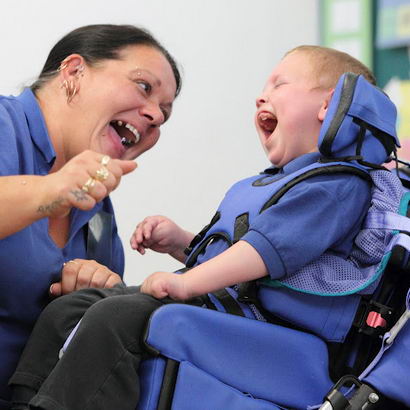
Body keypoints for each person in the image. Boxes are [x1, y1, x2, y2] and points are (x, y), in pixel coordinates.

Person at [9, 46, 388, 410]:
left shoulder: (335, 187)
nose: (261, 97)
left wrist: (187, 282)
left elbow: (266, 252)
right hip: (226, 304)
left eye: (279, 84)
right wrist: (183, 243)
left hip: (260, 324)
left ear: (328, 105)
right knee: (70, 309)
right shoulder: (277, 182)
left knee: (117, 319)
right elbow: (235, 253)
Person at [0, 23, 181, 409]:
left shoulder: (99, 215)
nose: (155, 117)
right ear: (73, 72)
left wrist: (97, 294)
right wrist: (53, 190)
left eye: (164, 114)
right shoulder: (4, 125)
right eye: (144, 87)